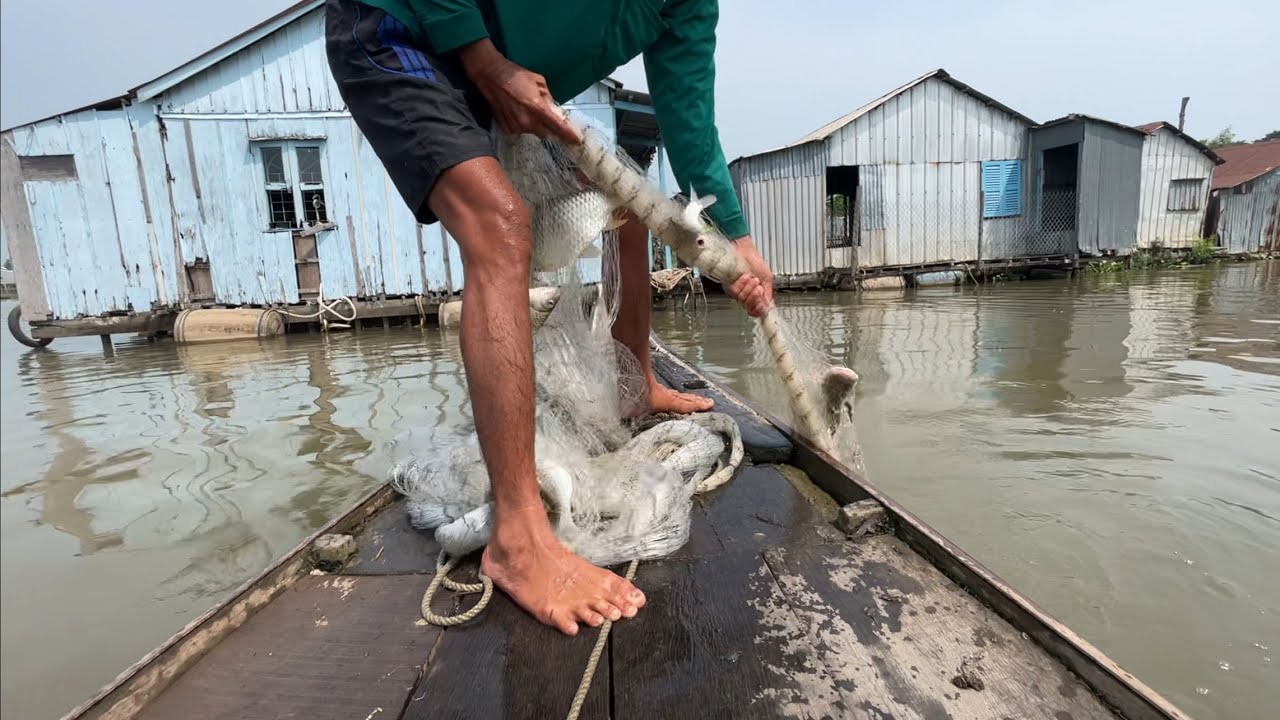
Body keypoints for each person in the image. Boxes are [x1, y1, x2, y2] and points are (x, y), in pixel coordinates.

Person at [325, 0, 775, 636]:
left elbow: (688, 115)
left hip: (496, 74)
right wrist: (485, 62)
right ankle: (517, 538)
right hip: (404, 29)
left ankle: (634, 383)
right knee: (500, 223)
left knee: (626, 197)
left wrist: (738, 239)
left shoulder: (690, 6)